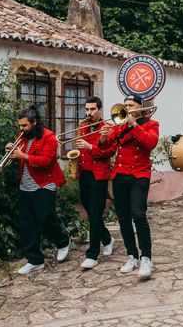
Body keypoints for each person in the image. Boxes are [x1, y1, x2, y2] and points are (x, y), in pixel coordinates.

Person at [99, 94, 159, 278]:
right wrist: (103, 138)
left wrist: (134, 124)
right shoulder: (119, 126)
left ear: (140, 107)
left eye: (130, 105)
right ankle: (132, 255)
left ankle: (146, 257)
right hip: (120, 174)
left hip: (139, 174)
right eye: (125, 105)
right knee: (123, 218)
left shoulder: (150, 124)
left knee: (139, 215)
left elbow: (151, 143)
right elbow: (105, 147)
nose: (127, 108)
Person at [6, 106, 70, 275]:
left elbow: (46, 161)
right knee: (27, 223)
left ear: (34, 122)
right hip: (25, 184)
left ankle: (62, 242)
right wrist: (12, 152)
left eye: (24, 126)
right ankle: (35, 260)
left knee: (45, 218)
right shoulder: (22, 136)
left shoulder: (49, 137)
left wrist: (23, 156)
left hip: (45, 182)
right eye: (19, 125)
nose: (21, 129)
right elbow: (19, 157)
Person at [74, 96, 117, 270]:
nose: (88, 113)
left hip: (99, 175)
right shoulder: (83, 125)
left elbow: (110, 151)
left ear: (99, 109)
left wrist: (90, 147)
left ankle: (92, 254)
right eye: (87, 109)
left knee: (95, 212)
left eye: (92, 109)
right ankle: (107, 238)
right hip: (84, 173)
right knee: (89, 209)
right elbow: (79, 148)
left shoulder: (107, 128)